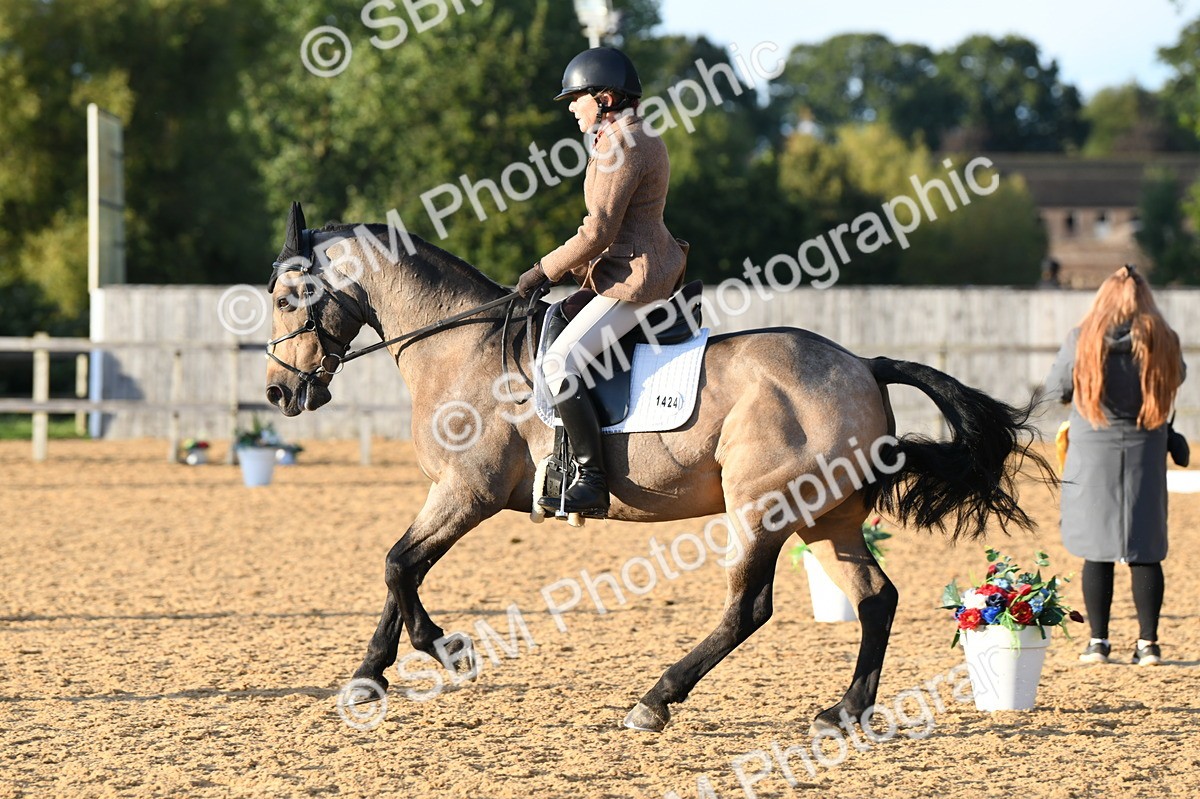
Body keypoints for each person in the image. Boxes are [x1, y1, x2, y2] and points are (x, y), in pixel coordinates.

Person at [516, 47, 689, 517]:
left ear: (606, 97)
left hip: (635, 280)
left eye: (578, 98)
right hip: (624, 270)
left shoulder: (623, 144)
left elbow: (597, 231)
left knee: (559, 363)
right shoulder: (626, 136)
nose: (572, 107)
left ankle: (591, 480)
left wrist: (541, 272)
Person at [1045, 265, 1185, 666]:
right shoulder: (1163, 340)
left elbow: (1057, 390)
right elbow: (1178, 378)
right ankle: (1149, 645)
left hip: (1093, 452)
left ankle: (1099, 642)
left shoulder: (1082, 339)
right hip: (1146, 445)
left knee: (1097, 548)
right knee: (1145, 547)